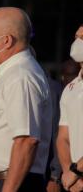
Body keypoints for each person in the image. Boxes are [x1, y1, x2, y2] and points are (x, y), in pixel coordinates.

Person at [0, 7, 52, 192]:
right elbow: (4, 122)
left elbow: (26, 140)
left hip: (10, 183)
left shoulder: (21, 76)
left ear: (6, 41)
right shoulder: (8, 72)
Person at [56, 24, 83, 192]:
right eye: (76, 37)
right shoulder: (70, 88)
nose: (78, 41)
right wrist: (67, 173)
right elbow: (63, 137)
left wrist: (75, 171)